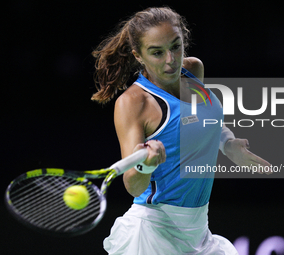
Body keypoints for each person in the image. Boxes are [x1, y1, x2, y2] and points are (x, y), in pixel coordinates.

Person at [91, 7, 270, 255]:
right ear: (139, 55)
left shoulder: (193, 70)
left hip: (199, 232)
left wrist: (227, 143)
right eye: (157, 52)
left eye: (176, 46)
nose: (170, 60)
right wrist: (146, 164)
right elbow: (133, 184)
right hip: (154, 231)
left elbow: (204, 122)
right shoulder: (134, 102)